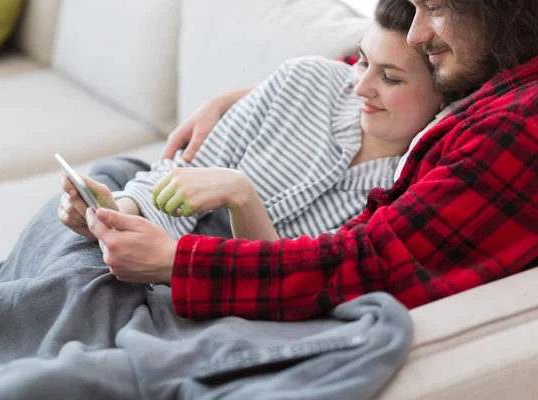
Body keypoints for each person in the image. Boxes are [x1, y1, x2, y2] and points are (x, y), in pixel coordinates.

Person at [85, 0, 537, 321]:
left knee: (82, 288)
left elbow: (368, 265)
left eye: (435, 8)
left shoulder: (514, 129)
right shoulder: (486, 54)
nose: (419, 32)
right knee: (80, 231)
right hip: (181, 233)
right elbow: (366, 65)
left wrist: (176, 262)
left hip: (263, 281)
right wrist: (245, 99)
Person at [59, 0, 444, 243]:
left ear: (444, 90)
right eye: (362, 60)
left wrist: (242, 197)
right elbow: (183, 169)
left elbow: (296, 279)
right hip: (156, 228)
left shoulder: (407, 187)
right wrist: (113, 213)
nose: (361, 87)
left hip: (219, 288)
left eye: (390, 78)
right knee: (65, 241)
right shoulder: (307, 79)